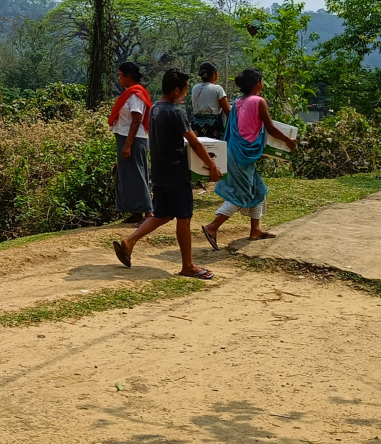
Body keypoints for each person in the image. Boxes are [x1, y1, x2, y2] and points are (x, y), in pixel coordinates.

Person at [112, 68, 222, 280]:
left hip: (160, 172)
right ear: (177, 89)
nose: (184, 95)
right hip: (176, 172)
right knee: (183, 216)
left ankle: (129, 242)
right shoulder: (174, 112)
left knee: (162, 214)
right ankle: (188, 265)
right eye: (184, 90)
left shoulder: (155, 109)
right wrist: (212, 166)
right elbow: (195, 142)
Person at [202, 68, 299, 249]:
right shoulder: (259, 101)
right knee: (242, 195)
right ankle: (212, 227)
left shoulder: (238, 101)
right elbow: (269, 128)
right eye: (261, 80)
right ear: (257, 83)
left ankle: (255, 230)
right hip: (243, 156)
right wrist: (288, 141)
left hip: (234, 151)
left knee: (258, 190)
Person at [109, 61, 152, 224]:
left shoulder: (135, 95)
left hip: (133, 139)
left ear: (128, 76)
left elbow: (136, 120)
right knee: (127, 175)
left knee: (137, 174)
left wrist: (127, 145)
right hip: (125, 137)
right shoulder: (130, 93)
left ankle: (148, 213)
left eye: (120, 75)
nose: (118, 78)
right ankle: (136, 212)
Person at [190, 62, 231, 141]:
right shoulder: (217, 89)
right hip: (212, 127)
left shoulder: (195, 87)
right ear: (214, 74)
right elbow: (228, 111)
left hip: (196, 125)